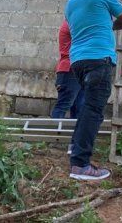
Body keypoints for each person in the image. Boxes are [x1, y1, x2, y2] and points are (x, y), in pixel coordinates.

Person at [65, 0, 122, 181]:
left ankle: (75, 148)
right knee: (93, 110)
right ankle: (80, 165)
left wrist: (103, 23)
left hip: (77, 62)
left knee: (87, 108)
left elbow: (85, 24)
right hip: (99, 59)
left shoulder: (70, 3)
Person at [50, 20, 85, 155]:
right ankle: (54, 140)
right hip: (69, 69)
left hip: (78, 69)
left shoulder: (73, 22)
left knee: (78, 108)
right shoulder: (71, 24)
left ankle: (73, 144)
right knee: (63, 105)